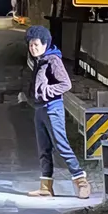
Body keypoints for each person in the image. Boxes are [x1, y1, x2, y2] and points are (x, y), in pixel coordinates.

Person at [24, 25, 91, 199]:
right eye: (31, 45)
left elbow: (65, 84)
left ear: (46, 43)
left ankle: (81, 182)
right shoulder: (40, 60)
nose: (33, 48)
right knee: (43, 149)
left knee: (61, 146)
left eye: (36, 44)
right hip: (40, 109)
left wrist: (45, 91)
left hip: (52, 108)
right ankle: (46, 187)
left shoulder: (52, 60)